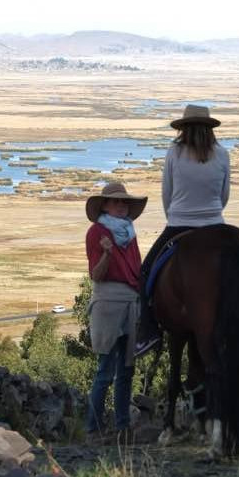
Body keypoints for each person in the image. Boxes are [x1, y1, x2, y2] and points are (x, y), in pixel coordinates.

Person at [135, 104, 230, 356]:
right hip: (215, 224)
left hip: (179, 223)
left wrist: (175, 218)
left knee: (144, 274)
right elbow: (224, 196)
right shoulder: (222, 154)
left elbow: (167, 193)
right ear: (210, 129)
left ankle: (148, 332)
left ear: (183, 129)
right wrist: (211, 214)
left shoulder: (174, 153)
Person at [85, 181, 147, 437]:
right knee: (105, 371)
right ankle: (93, 429)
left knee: (127, 371)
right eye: (116, 201)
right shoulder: (96, 232)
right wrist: (107, 254)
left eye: (125, 202)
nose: (121, 205)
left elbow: (137, 269)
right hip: (109, 302)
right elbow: (96, 275)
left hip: (130, 301)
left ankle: (122, 428)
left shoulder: (129, 233)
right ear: (105, 205)